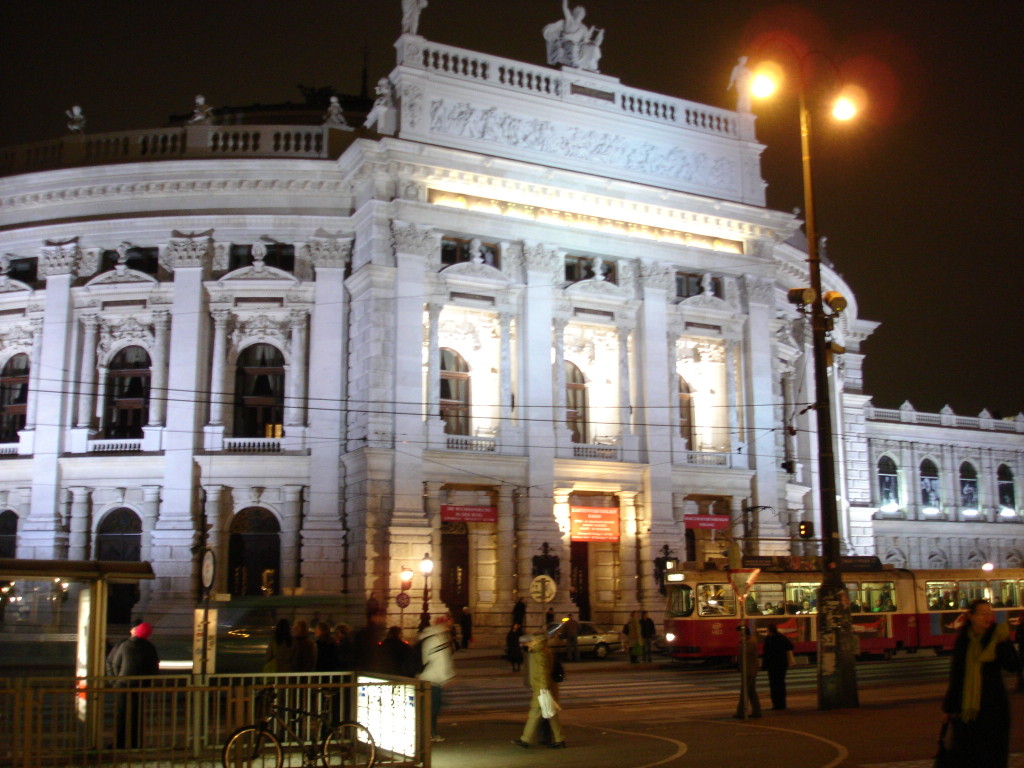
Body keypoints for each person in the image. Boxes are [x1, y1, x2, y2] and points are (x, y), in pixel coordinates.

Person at [941, 599, 1017, 766]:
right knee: (967, 755)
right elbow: (957, 675)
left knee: (993, 756)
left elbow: (1013, 666)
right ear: (971, 617)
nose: (987, 618)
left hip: (994, 708)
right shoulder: (964, 640)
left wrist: (1004, 643)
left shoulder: (998, 635)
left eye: (990, 613)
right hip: (968, 711)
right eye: (983, 614)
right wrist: (948, 707)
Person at [107, 621, 160, 749]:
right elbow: (153, 668)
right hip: (139, 686)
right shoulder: (149, 647)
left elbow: (113, 663)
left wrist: (115, 681)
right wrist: (147, 683)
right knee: (137, 715)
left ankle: (120, 743)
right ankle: (136, 743)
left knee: (122, 714)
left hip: (123, 684)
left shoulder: (123, 645)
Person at [511, 633, 566, 749]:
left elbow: (543, 672)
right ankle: (558, 740)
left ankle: (525, 740)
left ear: (538, 641)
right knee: (549, 715)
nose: (532, 641)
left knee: (538, 714)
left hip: (542, 689)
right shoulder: (542, 651)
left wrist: (543, 689)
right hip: (543, 688)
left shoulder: (540, 653)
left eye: (533, 639)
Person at [418, 615, 455, 743]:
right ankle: (430, 733)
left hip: (432, 678)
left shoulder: (434, 637)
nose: (449, 628)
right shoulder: (437, 639)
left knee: (432, 708)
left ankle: (430, 732)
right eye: (448, 625)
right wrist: (446, 677)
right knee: (432, 708)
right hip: (432, 679)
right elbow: (441, 661)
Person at [762, 623, 794, 710]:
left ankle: (776, 704)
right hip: (781, 664)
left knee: (773, 685)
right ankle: (782, 703)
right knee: (781, 683)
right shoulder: (781, 637)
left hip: (772, 665)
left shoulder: (768, 639)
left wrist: (764, 665)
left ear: (769, 630)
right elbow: (790, 646)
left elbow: (766, 652)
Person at [733, 626, 761, 719]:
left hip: (749, 670)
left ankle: (741, 712)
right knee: (751, 692)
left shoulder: (750, 642)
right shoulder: (749, 641)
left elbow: (745, 652)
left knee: (745, 692)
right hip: (748, 670)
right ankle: (756, 712)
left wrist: (741, 644)